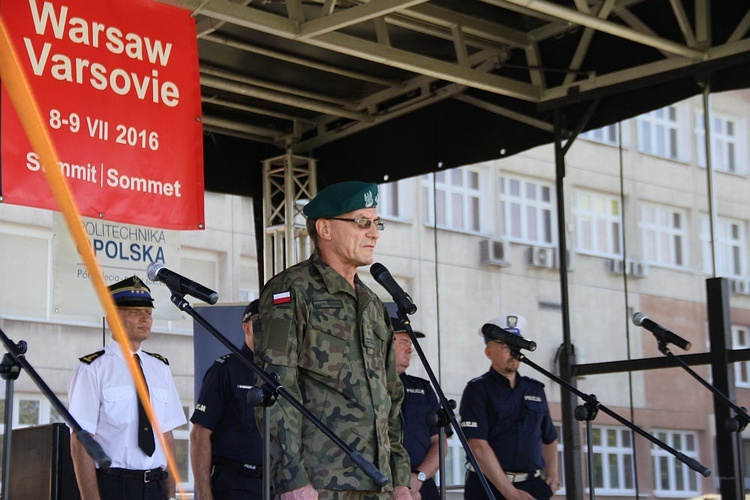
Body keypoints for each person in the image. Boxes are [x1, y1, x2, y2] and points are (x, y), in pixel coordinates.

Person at [254, 181, 412, 499]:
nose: (374, 233)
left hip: (378, 482)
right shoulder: (290, 291)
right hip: (320, 484)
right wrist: (292, 479)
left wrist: (400, 480)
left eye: (377, 223)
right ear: (325, 228)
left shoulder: (372, 304)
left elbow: (390, 399)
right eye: (362, 222)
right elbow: (276, 390)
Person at [68, 276, 186, 500]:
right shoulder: (92, 369)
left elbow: (166, 436)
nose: (145, 318)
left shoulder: (160, 368)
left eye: (148, 312)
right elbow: (81, 442)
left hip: (155, 486)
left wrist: (170, 495)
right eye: (135, 312)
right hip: (114, 486)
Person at [459, 314, 560, 500]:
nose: (513, 353)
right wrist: (510, 493)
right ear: (488, 353)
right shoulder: (478, 390)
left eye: (516, 347)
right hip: (488, 487)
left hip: (532, 486)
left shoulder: (535, 389)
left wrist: (552, 477)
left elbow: (549, 438)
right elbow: (478, 446)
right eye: (505, 347)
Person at [190, 299, 265, 499]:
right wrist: (205, 495)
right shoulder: (225, 370)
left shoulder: (284, 375)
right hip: (235, 485)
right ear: (246, 328)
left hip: (276, 485)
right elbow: (200, 434)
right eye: (260, 323)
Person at [391, 315, 450, 500]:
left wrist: (419, 477)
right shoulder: (366, 388)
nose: (410, 349)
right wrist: (401, 484)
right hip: (383, 486)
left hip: (422, 485)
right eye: (403, 342)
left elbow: (440, 442)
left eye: (411, 343)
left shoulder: (423, 388)